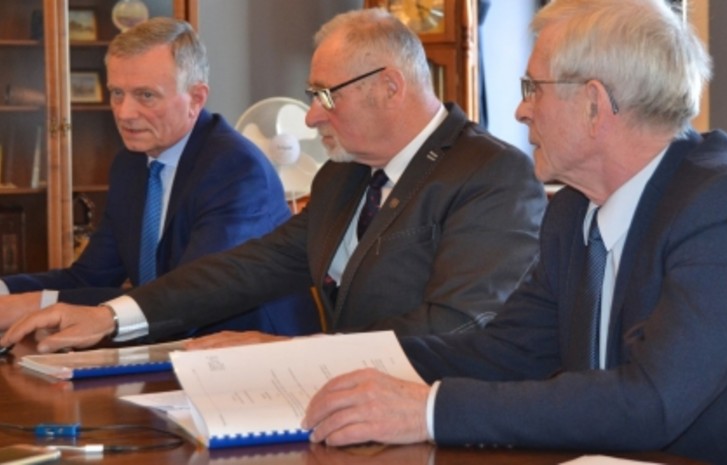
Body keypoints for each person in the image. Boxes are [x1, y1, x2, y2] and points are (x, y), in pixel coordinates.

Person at [300, 1, 727, 464]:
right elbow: (507, 352)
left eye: (533, 89)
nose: (521, 111)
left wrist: (428, 412)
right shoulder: (572, 209)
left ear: (593, 104)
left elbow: (650, 401)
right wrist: (342, 359)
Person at [0, 8, 546, 352]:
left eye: (325, 96)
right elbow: (244, 270)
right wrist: (110, 317)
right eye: (312, 96)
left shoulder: (490, 173)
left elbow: (455, 328)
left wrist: (282, 352)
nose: (311, 117)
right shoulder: (342, 176)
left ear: (389, 86)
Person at [0, 18, 319, 338]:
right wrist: (5, 293)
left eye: (146, 95)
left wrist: (34, 305)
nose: (124, 112)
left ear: (196, 98)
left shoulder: (235, 168)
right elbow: (89, 278)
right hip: (167, 345)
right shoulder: (130, 165)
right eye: (117, 93)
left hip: (250, 353)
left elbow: (190, 299)